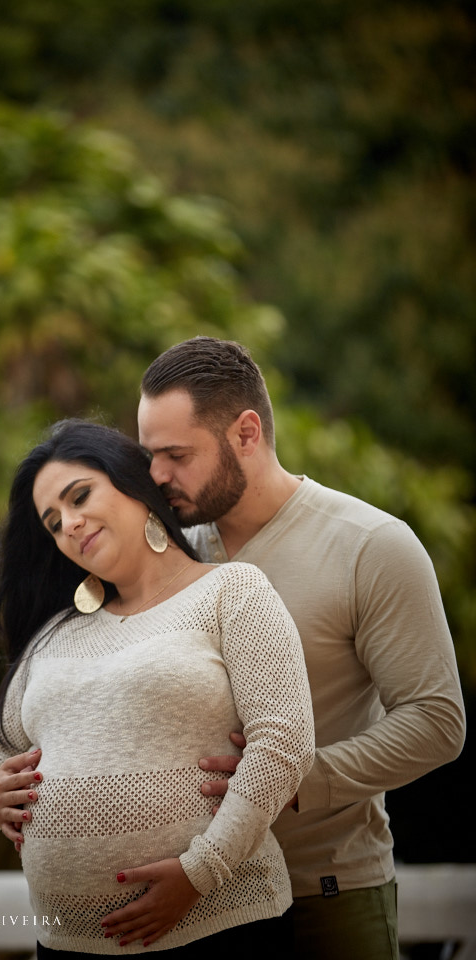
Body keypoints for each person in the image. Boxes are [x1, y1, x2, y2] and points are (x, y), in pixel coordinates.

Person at [133, 335, 466, 960]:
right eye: (150, 455)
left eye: (176, 454)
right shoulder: (170, 553)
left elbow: (437, 722)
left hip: (325, 895)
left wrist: (292, 782)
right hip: (192, 908)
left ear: (247, 433)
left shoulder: (371, 546)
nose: (156, 476)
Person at [0, 418, 314, 957]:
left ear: (134, 485)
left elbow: (284, 743)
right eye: (53, 522)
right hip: (69, 942)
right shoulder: (54, 636)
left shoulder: (230, 591)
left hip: (219, 925)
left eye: (80, 497)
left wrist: (200, 874)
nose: (71, 525)